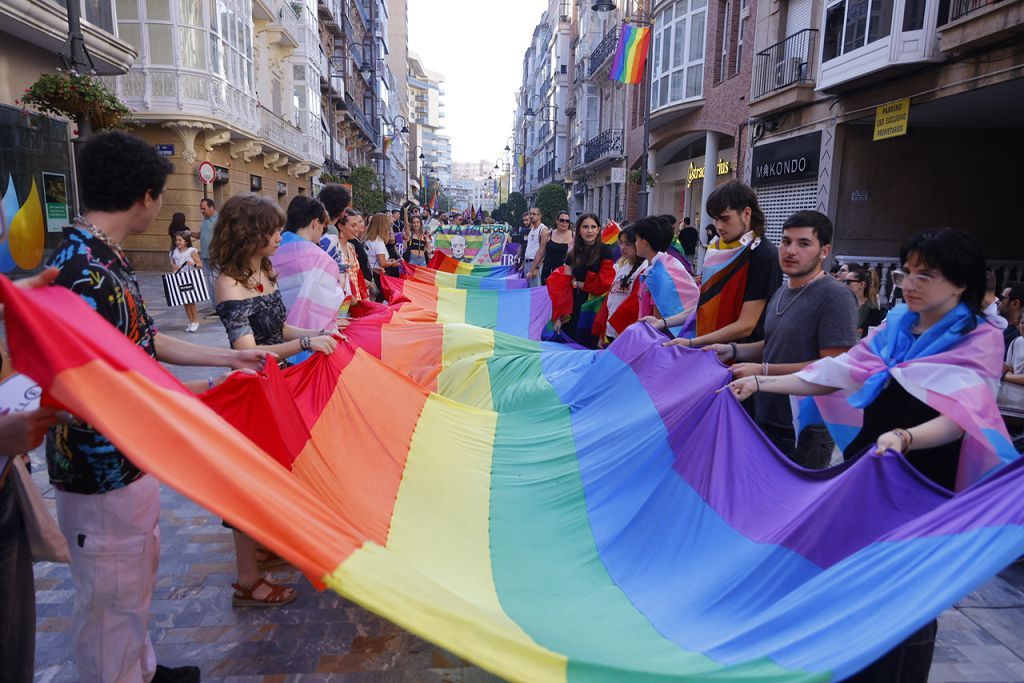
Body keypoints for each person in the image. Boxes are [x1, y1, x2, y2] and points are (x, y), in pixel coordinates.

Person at [726, 228, 1016, 681]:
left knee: (907, 597)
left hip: (923, 481)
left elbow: (962, 418)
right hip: (872, 467)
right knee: (856, 581)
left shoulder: (979, 339)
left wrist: (904, 438)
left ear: (960, 283)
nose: (911, 283)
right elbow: (838, 371)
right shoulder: (896, 326)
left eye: (927, 275)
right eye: (909, 272)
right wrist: (762, 382)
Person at [46, 131, 270, 683]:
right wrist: (184, 402)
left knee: (132, 579)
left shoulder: (101, 257)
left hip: (129, 457)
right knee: (110, 596)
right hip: (101, 466)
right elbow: (92, 382)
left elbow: (144, 342)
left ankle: (140, 667)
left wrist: (223, 365)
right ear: (147, 196)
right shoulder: (83, 271)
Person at [211, 193, 338, 608]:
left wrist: (324, 331)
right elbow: (248, 348)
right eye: (273, 229)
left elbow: (276, 327)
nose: (281, 235)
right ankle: (248, 579)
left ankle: (266, 546)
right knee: (248, 483)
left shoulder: (264, 270)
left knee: (279, 470)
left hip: (277, 382)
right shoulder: (228, 282)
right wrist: (305, 340)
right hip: (252, 389)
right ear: (252, 233)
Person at [705, 211, 858, 468]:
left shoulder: (835, 297)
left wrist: (762, 372)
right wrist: (732, 350)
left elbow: (833, 367)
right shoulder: (782, 291)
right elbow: (776, 344)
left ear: (825, 251)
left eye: (804, 243)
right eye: (786, 242)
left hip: (805, 429)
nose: (791, 251)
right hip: (767, 415)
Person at [662, 180, 782, 347]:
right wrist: (663, 323)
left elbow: (746, 325)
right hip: (710, 349)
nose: (719, 226)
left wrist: (692, 342)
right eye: (716, 219)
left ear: (746, 214)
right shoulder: (716, 249)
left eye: (725, 219)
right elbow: (705, 303)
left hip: (742, 360)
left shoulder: (763, 255)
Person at [272, 195, 345, 337]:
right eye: (323, 227)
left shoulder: (272, 250)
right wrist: (341, 283)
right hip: (308, 337)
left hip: (271, 335)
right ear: (315, 223)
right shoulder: (321, 259)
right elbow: (332, 300)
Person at [556, 213, 616, 348]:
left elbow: (604, 284)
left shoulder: (606, 252)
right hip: (572, 307)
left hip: (593, 309)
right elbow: (564, 283)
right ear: (578, 230)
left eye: (593, 227)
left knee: (588, 346)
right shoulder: (573, 253)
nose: (589, 231)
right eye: (585, 227)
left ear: (599, 229)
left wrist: (578, 283)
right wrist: (560, 316)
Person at [634, 215, 700, 334]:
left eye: (637, 239)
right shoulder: (665, 264)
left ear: (644, 243)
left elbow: (659, 317)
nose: (635, 243)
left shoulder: (658, 274)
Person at [596, 227, 648, 347]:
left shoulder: (644, 270)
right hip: (611, 332)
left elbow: (635, 304)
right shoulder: (622, 269)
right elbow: (609, 301)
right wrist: (602, 332)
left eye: (628, 244)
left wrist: (617, 327)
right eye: (621, 243)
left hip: (625, 333)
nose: (623, 247)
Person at [170, 230, 203, 332]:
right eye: (176, 240)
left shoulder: (192, 251)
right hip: (180, 278)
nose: (178, 242)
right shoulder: (174, 252)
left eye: (180, 240)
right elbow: (174, 266)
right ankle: (191, 321)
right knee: (184, 301)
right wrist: (175, 268)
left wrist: (191, 264)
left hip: (190, 278)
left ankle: (196, 321)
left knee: (191, 300)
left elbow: (200, 265)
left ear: (186, 241)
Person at [530, 210, 572, 284]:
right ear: (557, 221)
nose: (564, 223)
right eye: (562, 220)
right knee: (546, 293)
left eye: (567, 221)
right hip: (548, 271)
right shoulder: (548, 234)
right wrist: (532, 270)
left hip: (564, 273)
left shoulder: (573, 236)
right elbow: (540, 252)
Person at [846, 267, 886, 338]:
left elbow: (869, 333)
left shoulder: (872, 308)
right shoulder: (845, 303)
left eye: (848, 282)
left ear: (862, 284)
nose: (844, 284)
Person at [365, 213, 401, 289]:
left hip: (371, 272)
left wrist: (389, 261)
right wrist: (392, 263)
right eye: (387, 224)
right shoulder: (378, 242)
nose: (388, 227)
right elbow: (382, 263)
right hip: (378, 275)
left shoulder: (368, 239)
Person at [198, 198, 219, 315]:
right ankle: (216, 307)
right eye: (201, 209)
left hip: (216, 257)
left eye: (204, 208)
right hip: (205, 257)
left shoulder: (220, 219)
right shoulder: (205, 220)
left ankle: (221, 306)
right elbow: (201, 235)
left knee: (216, 282)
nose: (202, 211)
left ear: (212, 208)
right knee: (210, 284)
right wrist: (189, 233)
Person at [522, 207, 547, 287]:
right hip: (527, 263)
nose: (531, 216)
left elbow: (543, 251)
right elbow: (528, 248)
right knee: (527, 291)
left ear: (540, 216)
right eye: (530, 213)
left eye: (534, 214)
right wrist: (523, 265)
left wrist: (536, 268)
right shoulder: (532, 229)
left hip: (534, 264)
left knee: (534, 291)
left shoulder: (543, 230)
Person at [998, 281, 1023, 351]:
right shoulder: (1008, 330)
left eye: (1001, 298)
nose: (997, 301)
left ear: (1015, 303)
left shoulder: (1017, 336)